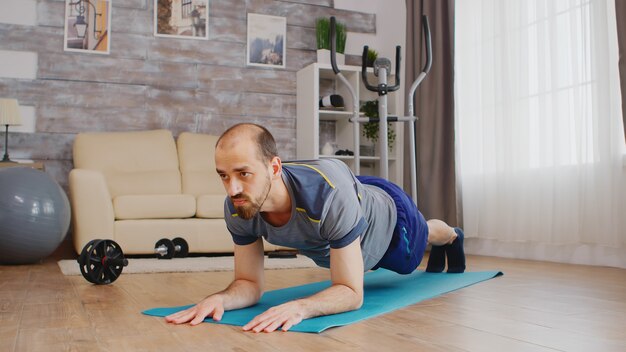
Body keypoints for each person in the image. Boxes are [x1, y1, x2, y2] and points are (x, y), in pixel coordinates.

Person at [165, 123, 465, 332]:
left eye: (243, 173)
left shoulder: (327, 196)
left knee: (418, 243)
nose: (232, 189)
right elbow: (248, 283)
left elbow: (350, 291)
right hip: (350, 196)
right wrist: (221, 298)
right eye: (223, 176)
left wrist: (301, 307)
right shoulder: (239, 205)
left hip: (388, 219)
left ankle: (451, 235)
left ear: (274, 167)